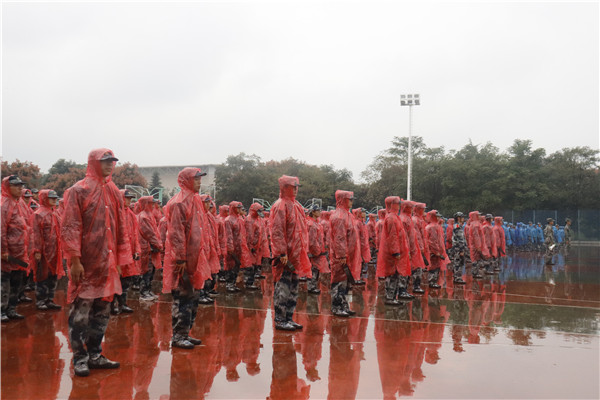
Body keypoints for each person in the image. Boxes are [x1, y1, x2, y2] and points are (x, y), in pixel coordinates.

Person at [61, 149, 132, 376]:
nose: (110, 165)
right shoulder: (78, 190)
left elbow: (121, 227)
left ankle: (95, 354)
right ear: (94, 163)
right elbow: (71, 226)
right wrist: (74, 259)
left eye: (112, 161)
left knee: (102, 311)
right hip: (86, 263)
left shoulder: (113, 191)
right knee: (81, 313)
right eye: (105, 161)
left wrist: (120, 259)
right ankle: (79, 358)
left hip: (108, 264)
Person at [163, 167, 210, 349]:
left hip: (195, 257)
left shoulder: (195, 200)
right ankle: (178, 335)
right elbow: (176, 233)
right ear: (186, 180)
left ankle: (186, 332)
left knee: (193, 295)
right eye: (195, 179)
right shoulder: (179, 202)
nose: (199, 182)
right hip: (183, 259)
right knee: (182, 297)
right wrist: (181, 258)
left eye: (199, 179)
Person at [269, 175, 311, 329]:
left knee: (293, 288)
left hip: (296, 256)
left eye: (297, 186)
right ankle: (280, 319)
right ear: (285, 187)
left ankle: (289, 317)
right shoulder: (280, 206)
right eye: (293, 186)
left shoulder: (297, 206)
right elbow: (277, 231)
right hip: (286, 256)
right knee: (283, 287)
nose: (296, 189)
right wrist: (281, 253)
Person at [1, 175, 30, 322]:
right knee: (4, 284)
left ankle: (11, 309)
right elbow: (1, 230)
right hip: (8, 254)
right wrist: (3, 251)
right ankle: (2, 310)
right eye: (16, 185)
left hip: (19, 253)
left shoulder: (18, 204)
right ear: (7, 187)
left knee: (16, 282)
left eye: (21, 185)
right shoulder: (4, 205)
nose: (20, 188)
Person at [32, 189, 65, 311]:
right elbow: (36, 234)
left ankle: (49, 300)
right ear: (44, 198)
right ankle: (41, 301)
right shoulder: (38, 214)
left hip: (56, 250)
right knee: (42, 276)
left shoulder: (55, 214)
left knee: (53, 276)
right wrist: (37, 251)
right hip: (44, 251)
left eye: (55, 198)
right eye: (51, 198)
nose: (54, 200)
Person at [329, 190, 360, 317]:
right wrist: (341, 255)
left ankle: (343, 305)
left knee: (346, 281)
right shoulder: (340, 217)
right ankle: (336, 306)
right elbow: (339, 238)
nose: (352, 202)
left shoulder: (348, 215)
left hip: (349, 256)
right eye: (350, 199)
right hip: (341, 256)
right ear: (343, 200)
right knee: (339, 281)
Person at [376, 196, 411, 305]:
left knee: (395, 275)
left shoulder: (395, 217)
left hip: (396, 252)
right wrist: (395, 251)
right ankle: (389, 298)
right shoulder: (391, 218)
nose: (399, 205)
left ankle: (392, 297)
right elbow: (393, 236)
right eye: (396, 203)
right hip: (392, 254)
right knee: (391, 275)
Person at [111, 189, 141, 314]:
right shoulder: (114, 214)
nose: (129, 200)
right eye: (126, 198)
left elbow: (135, 234)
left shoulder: (131, 215)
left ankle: (122, 304)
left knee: (126, 280)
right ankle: (111, 305)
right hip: (117, 255)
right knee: (114, 279)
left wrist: (136, 250)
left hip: (128, 254)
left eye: (130, 198)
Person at [137, 196, 163, 301]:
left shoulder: (148, 215)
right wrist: (158, 244)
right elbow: (149, 233)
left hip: (150, 247)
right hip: (146, 247)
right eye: (151, 203)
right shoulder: (143, 216)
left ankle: (148, 290)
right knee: (145, 270)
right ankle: (143, 292)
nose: (153, 205)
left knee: (150, 270)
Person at [224, 201, 254, 292]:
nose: (240, 209)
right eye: (238, 207)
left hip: (240, 247)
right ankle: (229, 284)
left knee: (237, 266)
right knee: (231, 266)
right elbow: (228, 236)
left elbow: (243, 234)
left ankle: (233, 283)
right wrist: (230, 248)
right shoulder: (228, 220)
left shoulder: (240, 219)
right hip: (232, 249)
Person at [399, 200, 427, 294]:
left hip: (414, 247)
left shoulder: (411, 219)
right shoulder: (407, 219)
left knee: (415, 267)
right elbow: (406, 236)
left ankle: (410, 287)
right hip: (410, 248)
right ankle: (404, 289)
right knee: (410, 267)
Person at [245, 203, 267, 290]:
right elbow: (249, 235)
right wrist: (250, 246)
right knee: (250, 266)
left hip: (257, 247)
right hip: (251, 248)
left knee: (255, 265)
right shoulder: (249, 220)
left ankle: (251, 282)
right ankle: (248, 283)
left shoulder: (259, 219)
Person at [306, 204, 328, 294]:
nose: (320, 212)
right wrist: (316, 251)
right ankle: (311, 287)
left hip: (318, 250)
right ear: (313, 212)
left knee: (316, 269)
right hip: (314, 251)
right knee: (313, 269)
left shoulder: (316, 223)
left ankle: (313, 286)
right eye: (318, 210)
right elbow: (312, 240)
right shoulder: (312, 225)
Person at [425, 210, 449, 289]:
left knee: (436, 266)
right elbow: (433, 241)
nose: (439, 218)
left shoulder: (434, 226)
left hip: (435, 251)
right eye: (437, 216)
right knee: (434, 267)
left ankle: (433, 281)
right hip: (433, 251)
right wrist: (437, 252)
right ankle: (432, 282)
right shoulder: (433, 227)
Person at [467, 211, 487, 279]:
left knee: (477, 259)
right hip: (476, 246)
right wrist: (478, 246)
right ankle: (475, 273)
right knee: (476, 259)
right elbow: (476, 236)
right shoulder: (475, 225)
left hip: (477, 245)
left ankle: (476, 272)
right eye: (478, 215)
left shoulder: (476, 224)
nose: (480, 216)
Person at [449, 212, 467, 284]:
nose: (463, 219)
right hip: (458, 248)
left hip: (458, 247)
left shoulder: (458, 225)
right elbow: (460, 239)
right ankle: (457, 278)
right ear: (458, 218)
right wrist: (461, 249)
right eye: (462, 217)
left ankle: (457, 277)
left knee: (459, 262)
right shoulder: (457, 226)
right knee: (458, 262)